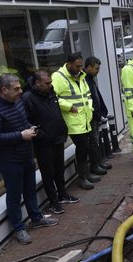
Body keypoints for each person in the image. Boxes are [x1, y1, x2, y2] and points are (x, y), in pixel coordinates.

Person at [0, 73, 58, 244]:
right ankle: (19, 228)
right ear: (4, 90)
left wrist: (29, 129)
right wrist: (20, 135)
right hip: (9, 161)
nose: (20, 91)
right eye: (16, 89)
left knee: (30, 190)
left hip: (26, 155)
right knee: (14, 195)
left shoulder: (17, 102)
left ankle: (36, 218)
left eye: (20, 87)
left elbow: (22, 122)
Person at [22, 70, 79, 215]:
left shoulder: (51, 93)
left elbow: (56, 112)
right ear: (37, 83)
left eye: (50, 82)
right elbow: (26, 121)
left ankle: (62, 195)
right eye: (47, 83)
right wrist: (40, 134)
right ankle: (53, 202)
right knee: (48, 173)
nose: (50, 85)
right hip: (44, 143)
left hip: (57, 138)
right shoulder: (28, 98)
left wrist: (63, 130)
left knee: (59, 169)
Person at [52, 52, 99, 190]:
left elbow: (87, 95)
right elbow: (53, 97)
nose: (80, 69)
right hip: (72, 121)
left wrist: (89, 108)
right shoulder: (58, 77)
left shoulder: (80, 76)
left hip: (85, 118)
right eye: (77, 66)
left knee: (87, 147)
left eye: (81, 66)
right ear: (69, 63)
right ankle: (82, 178)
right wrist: (69, 106)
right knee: (82, 148)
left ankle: (87, 174)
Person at [84, 56, 112, 176]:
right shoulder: (84, 80)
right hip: (89, 117)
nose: (98, 71)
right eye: (96, 68)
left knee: (96, 140)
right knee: (93, 141)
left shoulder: (91, 78)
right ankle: (94, 165)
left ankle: (99, 162)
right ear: (89, 67)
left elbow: (96, 96)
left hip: (95, 115)